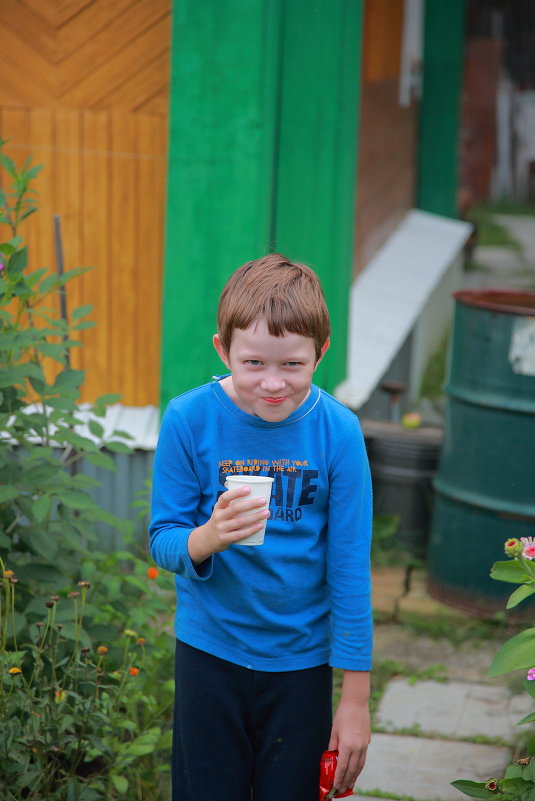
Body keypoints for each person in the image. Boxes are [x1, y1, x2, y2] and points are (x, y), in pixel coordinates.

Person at [149, 254, 373, 801]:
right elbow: (163, 540)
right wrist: (209, 536)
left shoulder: (339, 433)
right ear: (222, 350)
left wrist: (355, 702)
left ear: (320, 353)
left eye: (292, 365)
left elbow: (348, 569)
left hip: (302, 664)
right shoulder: (188, 420)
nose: (273, 384)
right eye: (253, 364)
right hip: (209, 655)